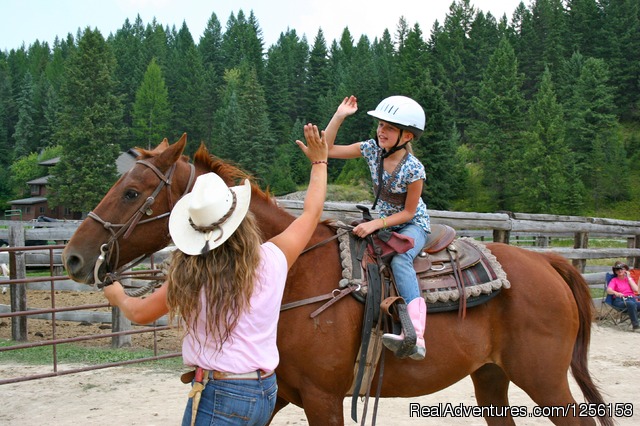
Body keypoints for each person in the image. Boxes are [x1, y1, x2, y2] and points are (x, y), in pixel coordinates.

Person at [103, 123, 328, 426]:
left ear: (193, 229)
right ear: (239, 216)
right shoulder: (273, 258)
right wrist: (319, 161)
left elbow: (140, 312)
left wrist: (118, 296)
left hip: (220, 393)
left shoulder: (192, 276)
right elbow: (312, 213)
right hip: (265, 391)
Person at [324, 95, 429, 360]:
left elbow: (408, 211)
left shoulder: (414, 169)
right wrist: (339, 115)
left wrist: (374, 224)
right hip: (383, 222)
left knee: (401, 260)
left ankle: (416, 334)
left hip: (412, 225)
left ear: (407, 136)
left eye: (390, 128)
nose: (381, 131)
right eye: (381, 125)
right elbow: (326, 149)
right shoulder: (371, 149)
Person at [606, 261, 640, 331]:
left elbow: (636, 289)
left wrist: (629, 277)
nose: (620, 271)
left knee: (633, 303)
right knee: (631, 304)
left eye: (622, 269)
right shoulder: (614, 280)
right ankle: (636, 326)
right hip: (620, 301)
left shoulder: (629, 279)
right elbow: (609, 290)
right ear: (615, 271)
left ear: (625, 270)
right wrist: (615, 292)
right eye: (617, 269)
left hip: (632, 299)